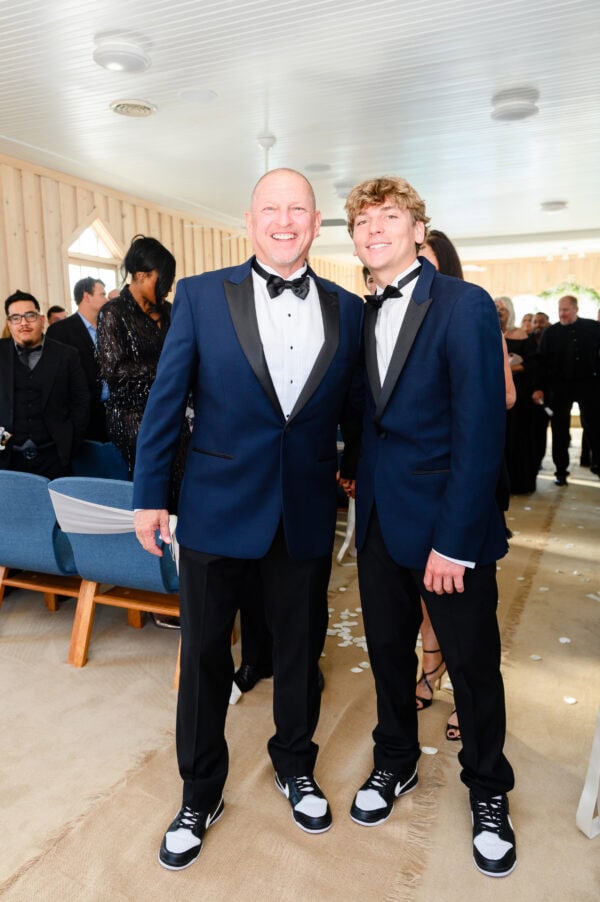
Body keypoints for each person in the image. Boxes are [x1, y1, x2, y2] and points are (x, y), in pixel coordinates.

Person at [132, 168, 363, 870]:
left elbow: (355, 413)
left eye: (298, 209)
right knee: (203, 655)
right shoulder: (202, 296)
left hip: (303, 511)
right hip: (215, 510)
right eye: (272, 208)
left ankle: (295, 763)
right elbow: (165, 402)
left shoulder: (348, 308)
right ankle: (201, 792)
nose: (284, 220)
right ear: (249, 219)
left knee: (299, 652)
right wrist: (148, 495)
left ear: (316, 222)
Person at [345, 176, 516, 878]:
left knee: (473, 664)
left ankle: (487, 788)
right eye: (363, 220)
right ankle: (395, 762)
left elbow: (482, 430)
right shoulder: (359, 314)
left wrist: (455, 539)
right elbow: (369, 414)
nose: (375, 228)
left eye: (391, 216)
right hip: (380, 519)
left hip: (451, 528)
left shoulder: (464, 305)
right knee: (386, 652)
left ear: (419, 229)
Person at [414, 231, 516, 741]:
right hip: (418, 481)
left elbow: (505, 396)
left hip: (470, 470)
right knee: (427, 592)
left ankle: (466, 693)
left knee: (469, 599)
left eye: (426, 262)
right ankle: (430, 664)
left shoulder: (469, 313)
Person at [96, 235, 178, 478]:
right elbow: (114, 371)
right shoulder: (113, 313)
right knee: (150, 488)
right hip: (133, 421)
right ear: (142, 276)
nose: (169, 288)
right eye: (163, 280)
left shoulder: (169, 311)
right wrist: (168, 367)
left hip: (173, 413)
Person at [0, 290, 89, 478]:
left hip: (55, 457)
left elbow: (81, 402)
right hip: (7, 459)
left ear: (41, 319)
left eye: (29, 316)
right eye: (15, 318)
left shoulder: (67, 355)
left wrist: (70, 442)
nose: (23, 323)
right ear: (9, 323)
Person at [532, 294, 600, 484]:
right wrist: (539, 388)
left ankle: (597, 463)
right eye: (560, 310)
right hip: (560, 387)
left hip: (589, 386)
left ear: (576, 309)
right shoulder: (550, 332)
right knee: (560, 429)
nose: (562, 314)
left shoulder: (593, 328)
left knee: (594, 426)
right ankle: (561, 471)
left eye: (566, 310)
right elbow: (541, 362)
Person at [47, 277, 109, 441]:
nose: (107, 299)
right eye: (102, 294)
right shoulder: (60, 331)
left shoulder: (109, 327)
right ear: (86, 296)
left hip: (111, 415)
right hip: (82, 420)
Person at [495, 296, 538, 493]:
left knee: (517, 435)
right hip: (495, 391)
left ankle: (519, 483)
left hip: (518, 391)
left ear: (510, 312)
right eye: (495, 309)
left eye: (502, 310)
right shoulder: (491, 331)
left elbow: (532, 363)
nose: (498, 313)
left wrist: (509, 366)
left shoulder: (520, 334)